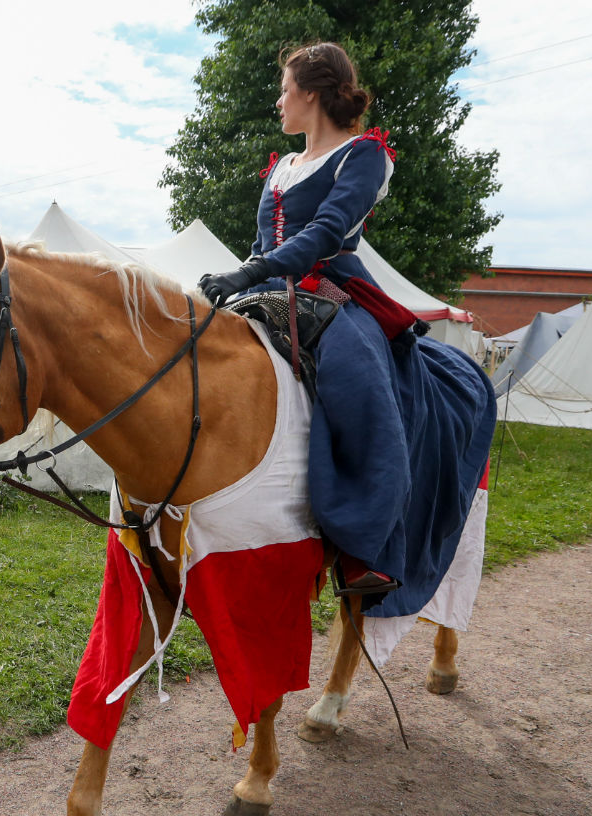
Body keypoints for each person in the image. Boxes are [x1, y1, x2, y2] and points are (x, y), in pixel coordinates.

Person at [198, 42, 495, 612]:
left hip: (333, 290)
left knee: (358, 379)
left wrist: (250, 271)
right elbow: (266, 241)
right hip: (268, 291)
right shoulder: (281, 165)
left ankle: (368, 547)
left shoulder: (364, 155)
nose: (279, 102)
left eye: (285, 90)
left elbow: (327, 232)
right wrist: (242, 283)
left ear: (311, 93)